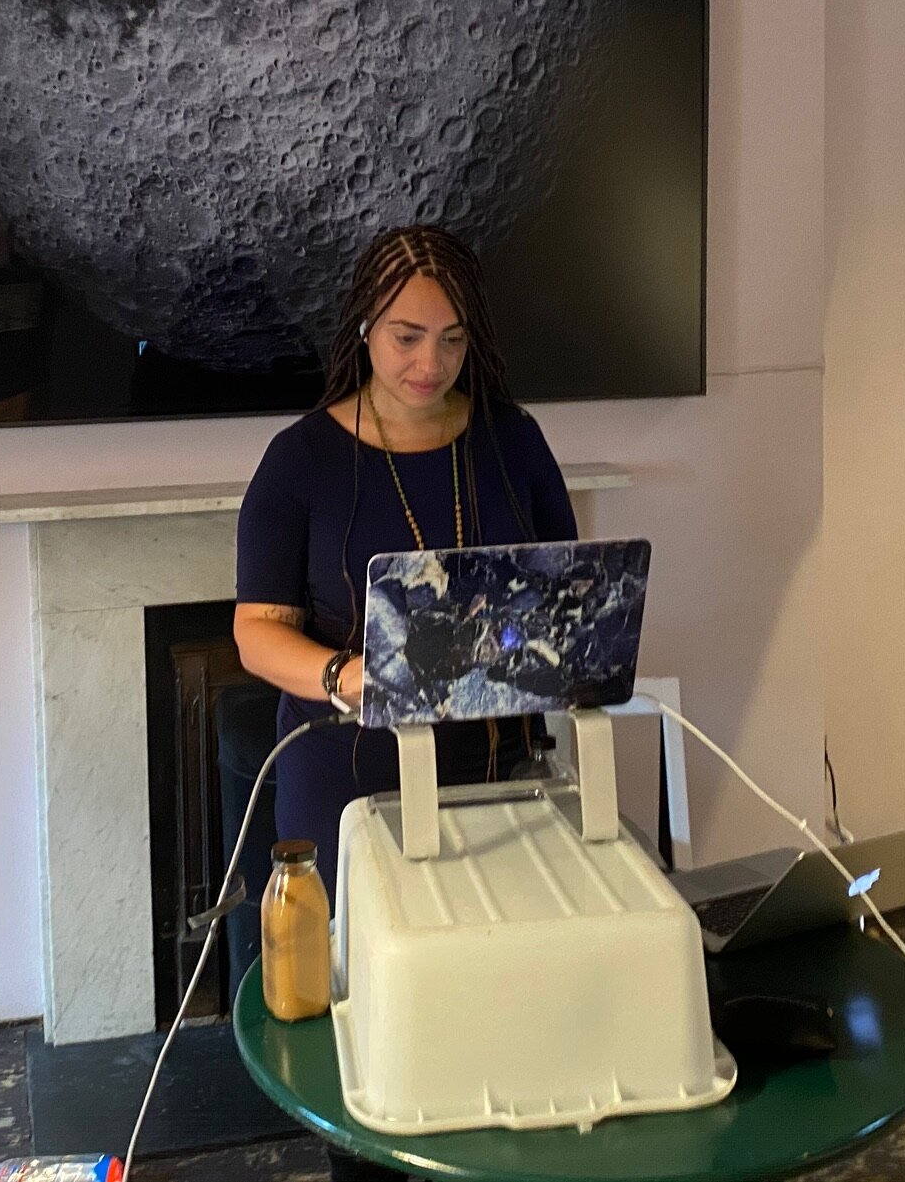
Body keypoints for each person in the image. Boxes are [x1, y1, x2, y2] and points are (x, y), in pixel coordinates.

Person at [233, 226, 577, 1180]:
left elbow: (562, 586)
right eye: (406, 337)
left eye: (453, 339)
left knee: (493, 1006)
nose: (431, 362)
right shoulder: (299, 459)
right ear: (362, 326)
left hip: (494, 771)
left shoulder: (512, 440)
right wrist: (347, 676)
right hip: (346, 778)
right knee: (375, 1026)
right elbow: (255, 631)